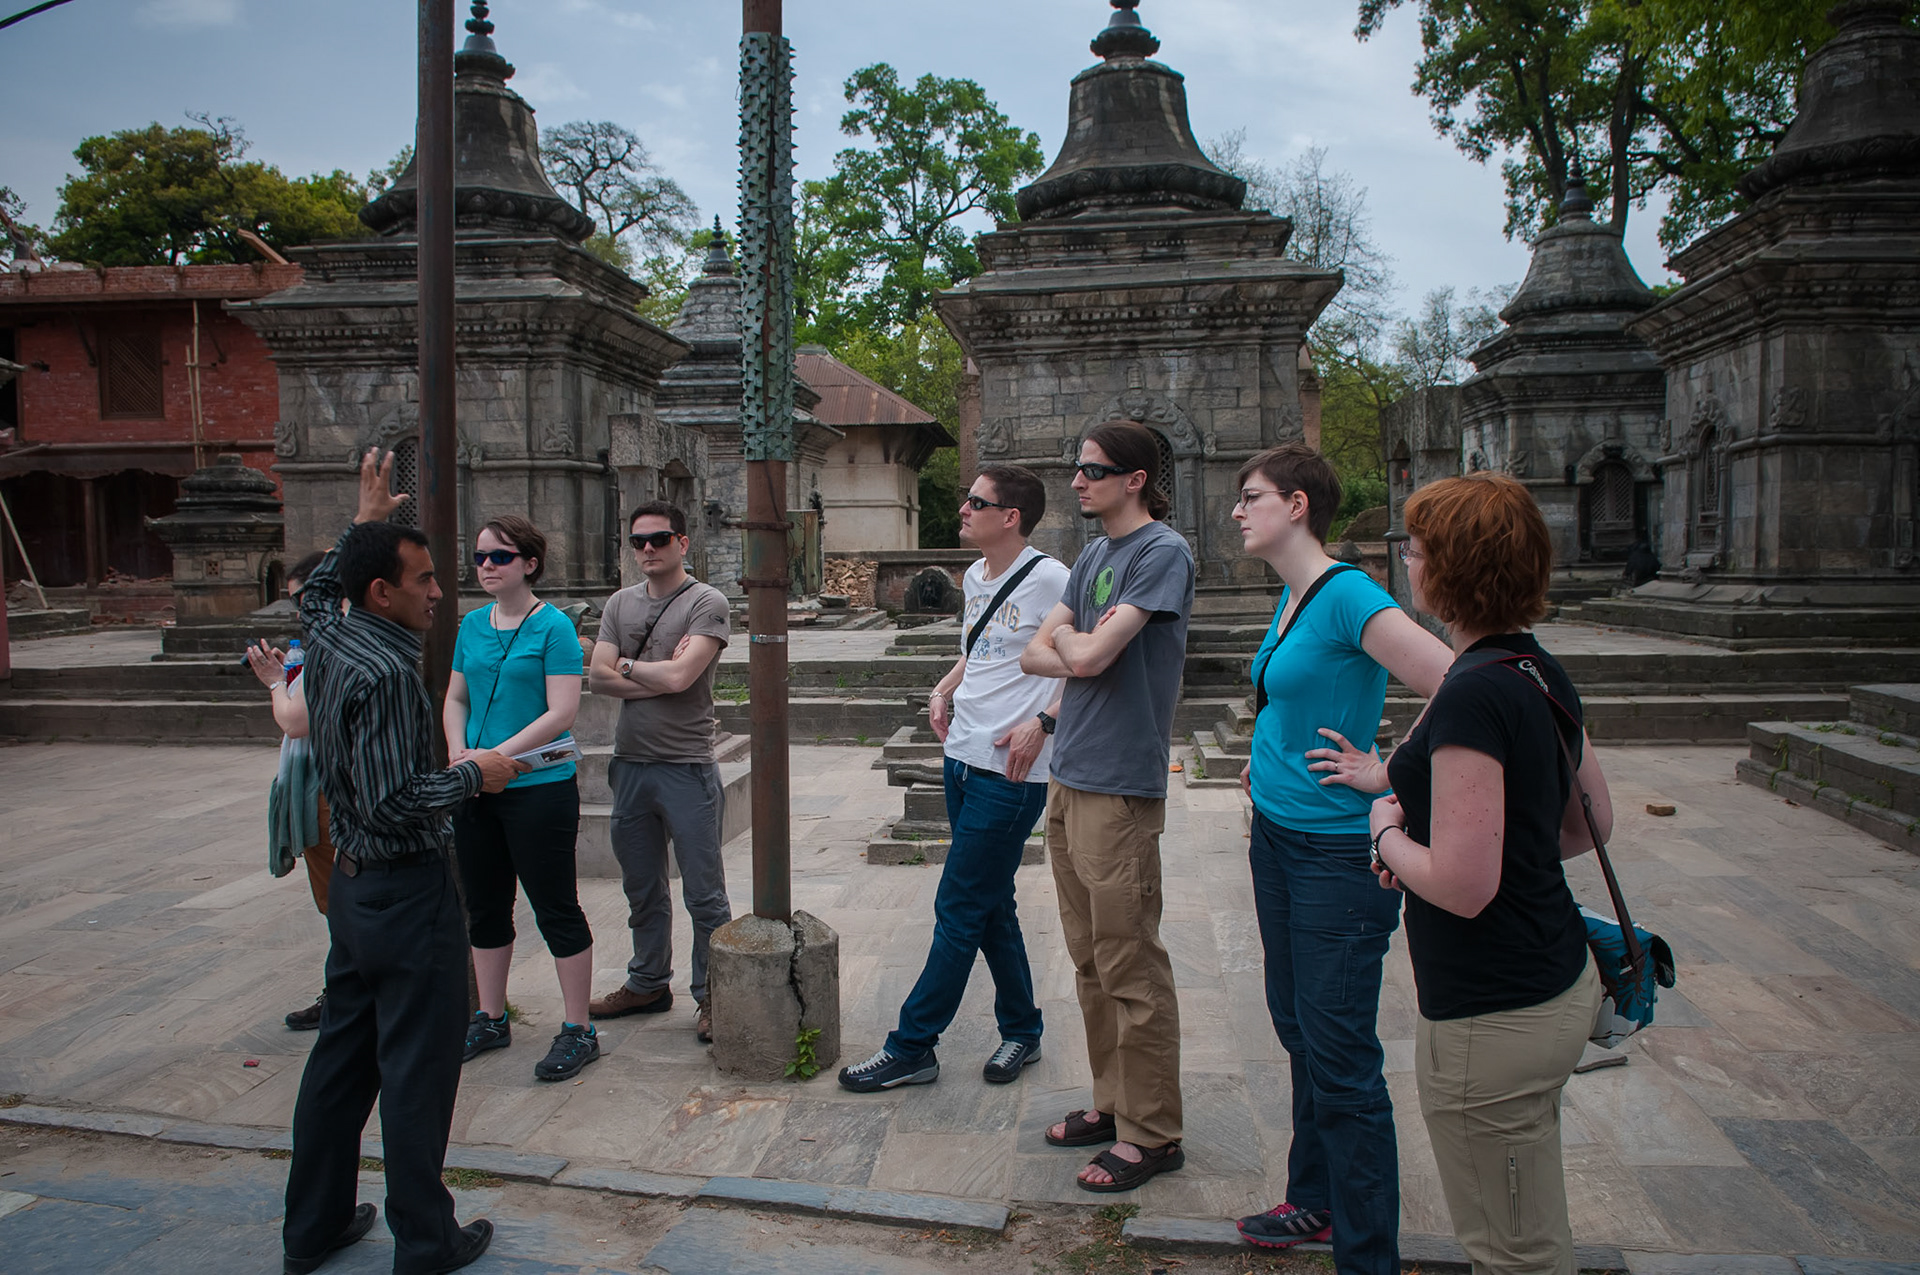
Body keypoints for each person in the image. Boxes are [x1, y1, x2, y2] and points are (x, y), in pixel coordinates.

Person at [281, 449, 520, 1275]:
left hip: (354, 891)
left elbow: (314, 591)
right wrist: (473, 773)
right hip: (405, 891)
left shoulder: (331, 633)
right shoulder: (384, 670)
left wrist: (365, 523)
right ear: (381, 593)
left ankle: (311, 1224)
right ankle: (426, 1238)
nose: (438, 592)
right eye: (421, 579)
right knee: (416, 1072)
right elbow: (394, 800)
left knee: (341, 1065)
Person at [1370, 471, 1609, 1275]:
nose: (1408, 561)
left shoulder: (1472, 694)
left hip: (1491, 1008)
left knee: (1511, 1248)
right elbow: (1588, 824)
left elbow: (1466, 886)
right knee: (1528, 1221)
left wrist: (1389, 837)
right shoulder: (1537, 669)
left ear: (1445, 567)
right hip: (1555, 974)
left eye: (1415, 547)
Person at [1226, 443, 1453, 1267]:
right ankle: (1313, 1201)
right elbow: (1296, 696)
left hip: (1334, 858)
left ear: (1295, 504)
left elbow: (1461, 680)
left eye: (1250, 497)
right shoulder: (1292, 597)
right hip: (1279, 841)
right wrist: (1267, 751)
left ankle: (1367, 1255)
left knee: (1342, 1056)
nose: (1239, 511)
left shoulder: (1348, 593)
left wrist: (1387, 768)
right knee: (1298, 1029)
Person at [840, 465, 1070, 1093]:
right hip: (963, 756)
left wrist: (1044, 722)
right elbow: (981, 648)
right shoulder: (974, 576)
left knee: (959, 906)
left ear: (1010, 516)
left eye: (976, 502)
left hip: (1012, 768)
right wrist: (945, 686)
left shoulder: (1054, 579)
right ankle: (1023, 1029)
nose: (963, 509)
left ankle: (913, 1045)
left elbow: (1093, 660)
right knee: (992, 903)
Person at [1020, 420, 1194, 1193]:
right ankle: (1114, 1103)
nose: (1077, 480)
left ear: (1135, 479)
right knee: (1090, 959)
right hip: (1070, 774)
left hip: (1120, 784)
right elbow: (1039, 651)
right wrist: (1073, 647)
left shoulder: (1162, 552)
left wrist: (1072, 646)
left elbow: (1078, 652)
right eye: (1076, 465)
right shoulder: (1094, 555)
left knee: (1130, 961)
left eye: (1092, 468)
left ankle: (1154, 1132)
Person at [445, 515, 597, 1081]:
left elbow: (561, 711)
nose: (486, 566)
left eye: (500, 557)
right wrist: (461, 751)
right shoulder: (471, 625)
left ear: (529, 564)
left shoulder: (552, 627)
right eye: (481, 556)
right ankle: (490, 1015)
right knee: (484, 903)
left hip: (536, 787)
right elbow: (456, 696)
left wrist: (494, 757)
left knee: (554, 903)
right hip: (476, 785)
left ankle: (579, 1027)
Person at [586, 501, 734, 1043]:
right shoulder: (620, 604)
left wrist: (624, 664)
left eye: (660, 539)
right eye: (639, 541)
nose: (648, 549)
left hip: (686, 766)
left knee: (704, 892)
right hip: (631, 765)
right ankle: (648, 980)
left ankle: (714, 995)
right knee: (641, 886)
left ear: (683, 543)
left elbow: (678, 679)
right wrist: (651, 671)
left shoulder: (706, 602)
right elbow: (597, 681)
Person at [245, 550, 333, 1031]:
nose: (301, 611)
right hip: (323, 782)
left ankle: (346, 992)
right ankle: (343, 988)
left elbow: (295, 721)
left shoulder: (333, 644)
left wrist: (278, 684)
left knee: (343, 903)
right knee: (335, 902)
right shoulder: (321, 646)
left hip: (332, 787)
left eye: (304, 599)